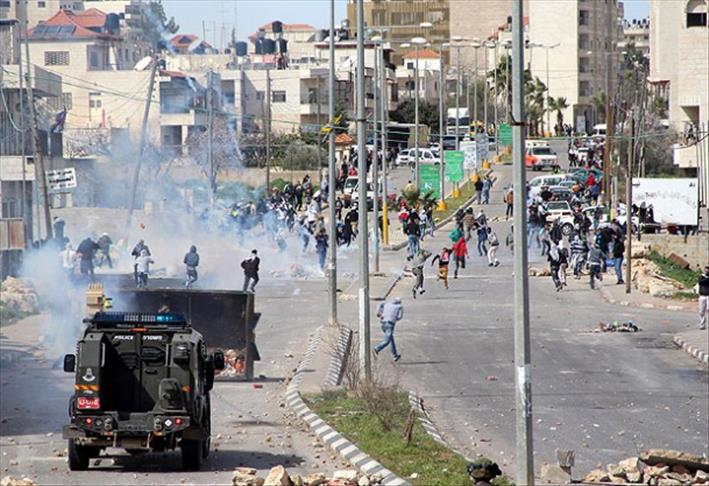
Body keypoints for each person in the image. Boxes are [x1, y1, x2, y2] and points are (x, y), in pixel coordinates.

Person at [374, 297, 404, 362]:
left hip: (383, 323)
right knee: (387, 341)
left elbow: (379, 304)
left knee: (391, 339)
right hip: (390, 324)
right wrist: (394, 318)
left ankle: (395, 355)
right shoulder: (400, 306)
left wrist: (379, 313)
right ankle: (377, 349)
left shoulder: (387, 304)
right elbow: (399, 317)